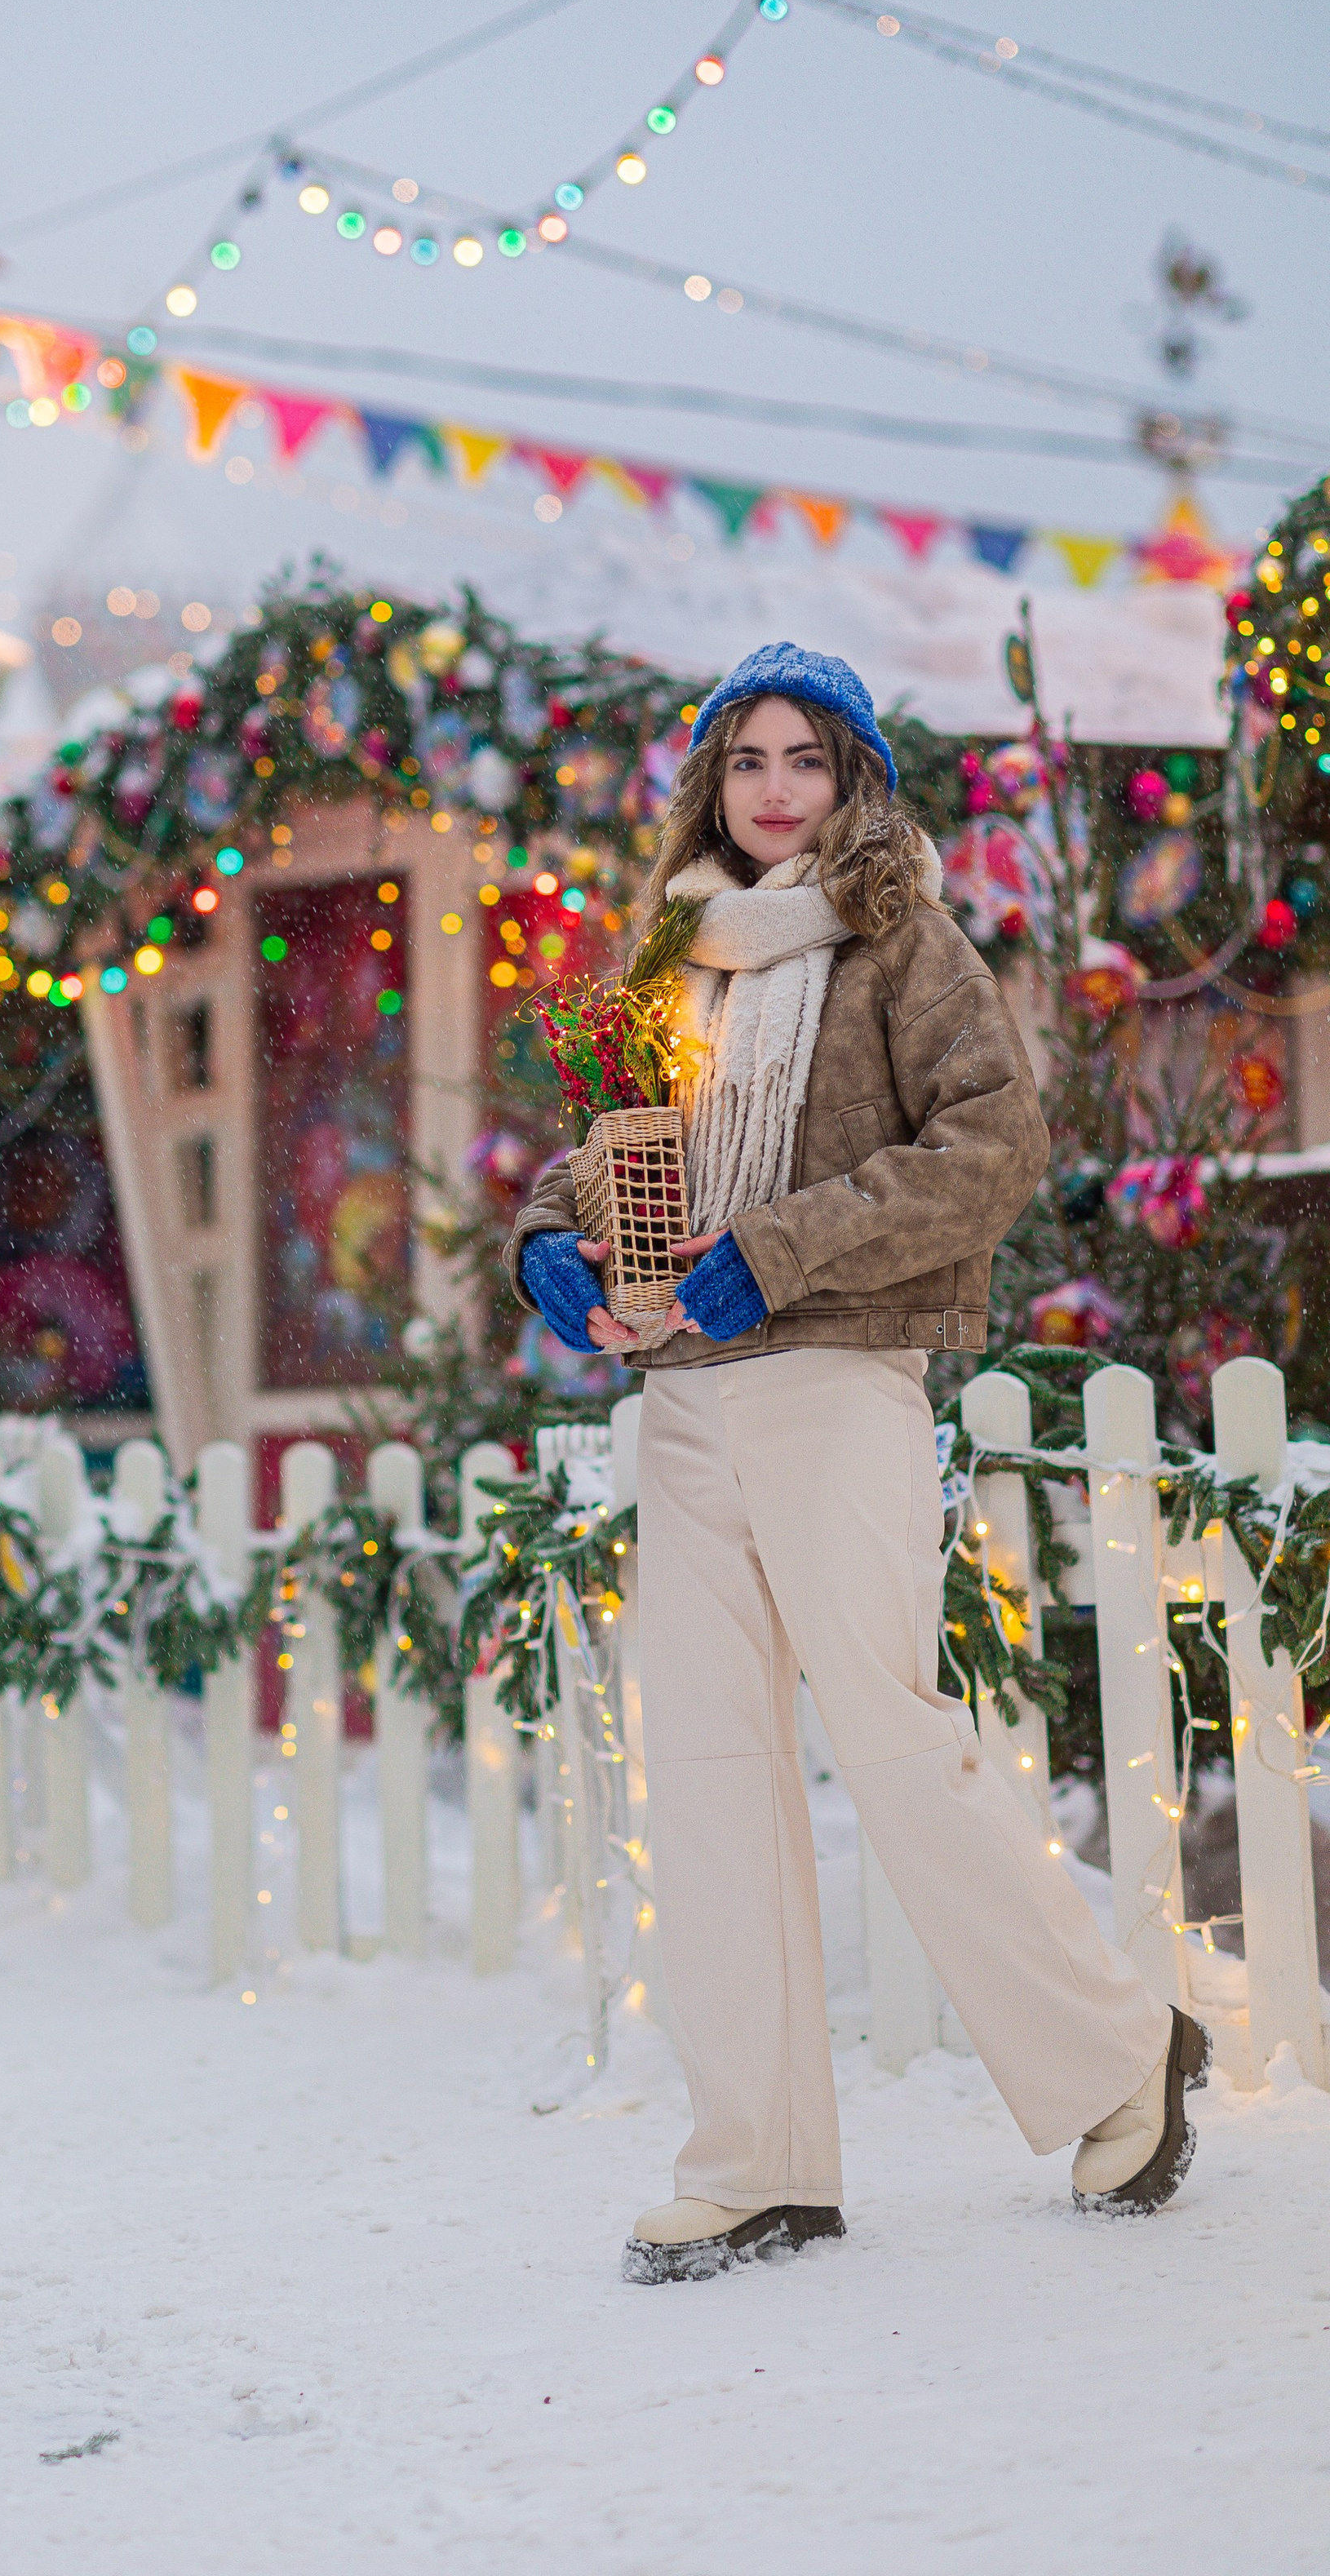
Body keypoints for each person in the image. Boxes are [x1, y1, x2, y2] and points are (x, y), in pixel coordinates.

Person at [506, 641, 1203, 2286]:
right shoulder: (675, 955)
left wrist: (785, 1249)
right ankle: (755, 2164)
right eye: (743, 759)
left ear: (849, 779)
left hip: (832, 1382)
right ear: (708, 781)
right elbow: (615, 1152)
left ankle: (1120, 2052)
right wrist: (552, 1242)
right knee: (707, 1779)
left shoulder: (904, 942)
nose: (770, 788)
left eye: (801, 760)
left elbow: (991, 1147)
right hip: (677, 1401)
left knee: (889, 1743)